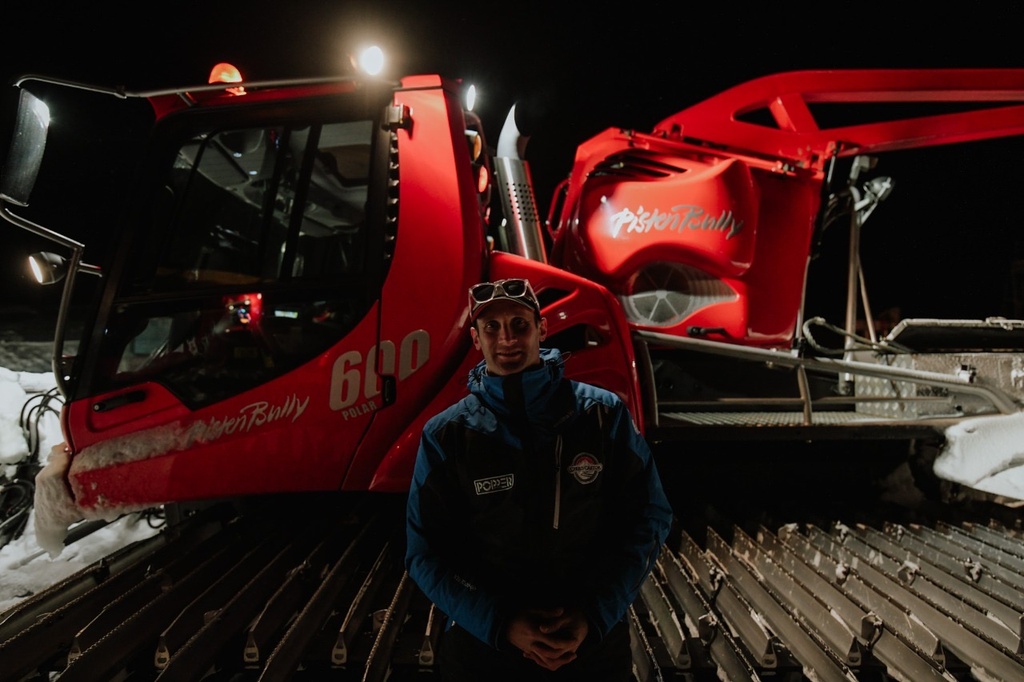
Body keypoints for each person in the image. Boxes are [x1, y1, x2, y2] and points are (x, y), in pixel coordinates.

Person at [405, 277, 674, 681]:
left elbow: (650, 517)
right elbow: (424, 553)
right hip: (487, 647)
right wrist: (502, 624)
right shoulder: (448, 436)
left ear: (542, 329)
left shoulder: (602, 416)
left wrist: (594, 614)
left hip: (588, 643)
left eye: (519, 324)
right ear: (476, 340)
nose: (506, 339)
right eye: (491, 328)